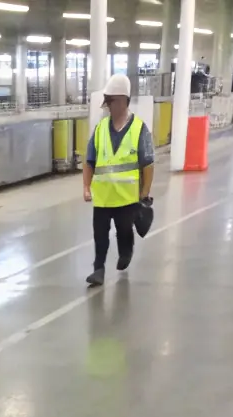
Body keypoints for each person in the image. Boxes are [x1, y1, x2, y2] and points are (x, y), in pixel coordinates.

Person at [82, 74, 155, 286]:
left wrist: (145, 194)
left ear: (123, 101)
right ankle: (98, 269)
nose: (107, 107)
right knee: (100, 235)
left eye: (111, 101)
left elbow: (148, 164)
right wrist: (86, 187)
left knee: (124, 231)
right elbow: (89, 161)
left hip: (127, 198)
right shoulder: (100, 129)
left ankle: (126, 251)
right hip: (103, 197)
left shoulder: (139, 129)